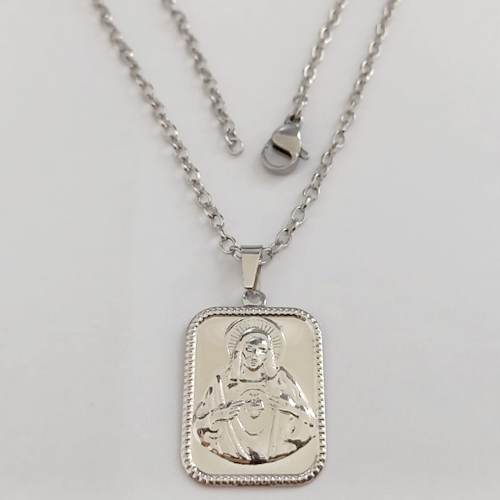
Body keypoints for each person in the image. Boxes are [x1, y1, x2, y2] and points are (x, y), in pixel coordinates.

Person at [193, 317, 316, 464]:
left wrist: (291, 408)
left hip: (277, 449)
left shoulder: (281, 380)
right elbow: (197, 426)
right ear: (239, 351)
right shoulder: (222, 383)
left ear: (269, 353)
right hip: (229, 450)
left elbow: (311, 423)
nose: (254, 356)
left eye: (261, 350)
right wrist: (217, 416)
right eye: (249, 349)